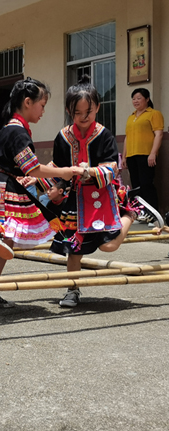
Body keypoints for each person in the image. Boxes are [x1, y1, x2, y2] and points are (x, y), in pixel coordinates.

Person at [44, 77, 163, 307]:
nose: (84, 117)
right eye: (77, 112)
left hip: (101, 196)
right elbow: (58, 169)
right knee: (73, 248)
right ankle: (72, 290)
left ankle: (131, 213)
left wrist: (86, 172)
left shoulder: (104, 134)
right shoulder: (62, 137)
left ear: (98, 107)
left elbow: (111, 167)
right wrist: (57, 188)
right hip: (74, 201)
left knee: (109, 245)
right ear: (70, 111)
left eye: (88, 111)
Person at [0, 77, 79, 307]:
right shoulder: (18, 132)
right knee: (3, 233)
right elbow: (33, 168)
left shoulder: (12, 128)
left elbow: (25, 168)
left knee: (6, 238)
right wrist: (66, 171)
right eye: (42, 105)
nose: (43, 111)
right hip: (2, 185)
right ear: (28, 102)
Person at [122, 88, 165, 225]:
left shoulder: (154, 114)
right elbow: (127, 138)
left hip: (146, 154)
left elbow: (159, 134)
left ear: (147, 99)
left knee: (147, 185)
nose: (136, 101)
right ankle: (140, 213)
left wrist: (153, 153)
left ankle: (153, 215)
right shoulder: (131, 117)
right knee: (136, 186)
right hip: (132, 155)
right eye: (134, 98)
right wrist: (124, 157)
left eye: (139, 98)